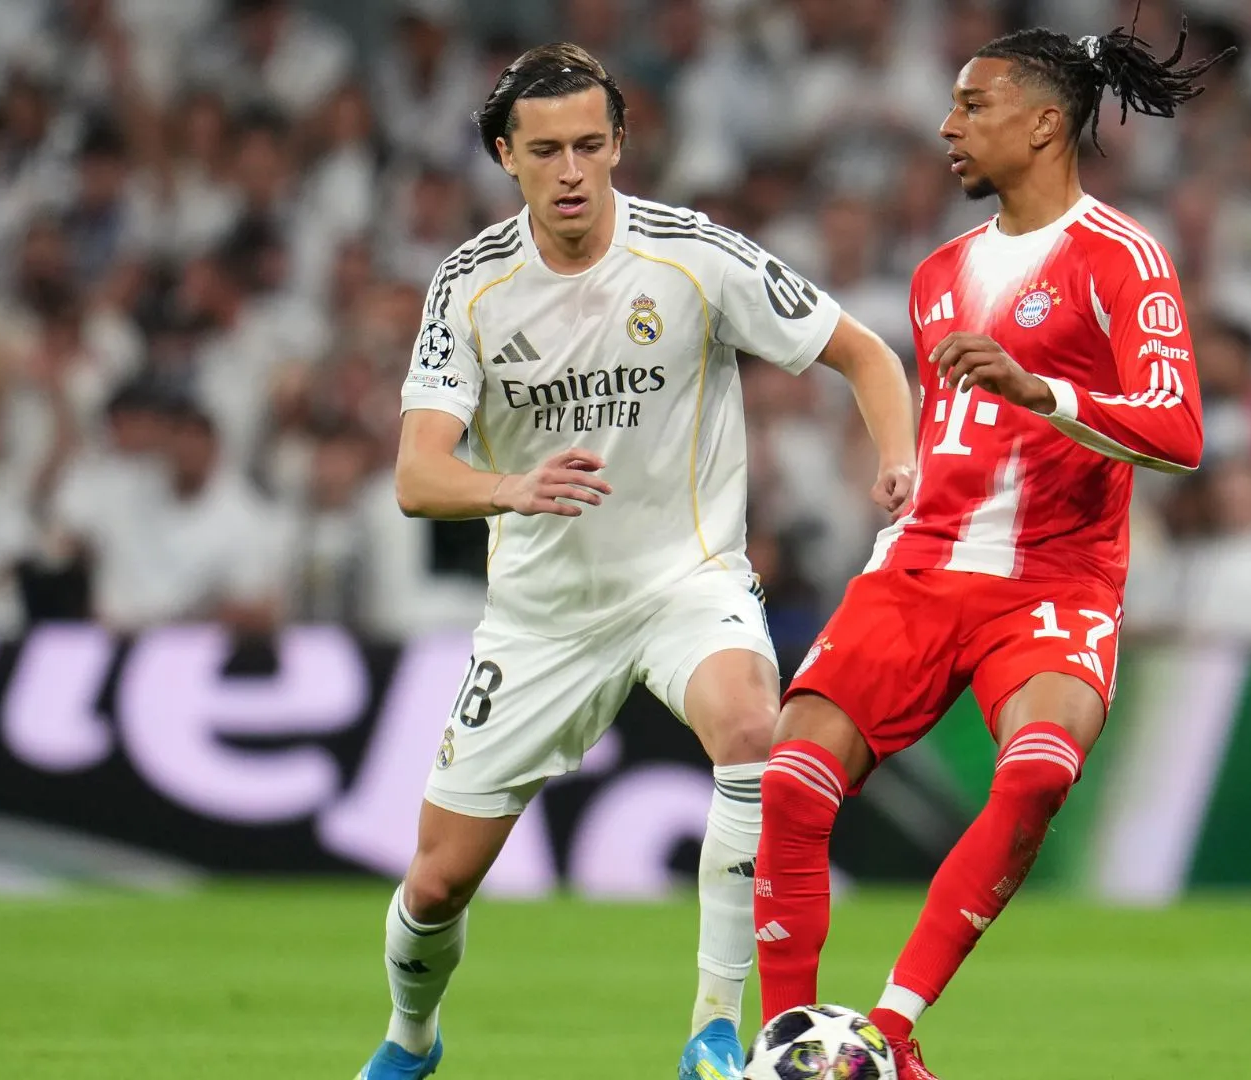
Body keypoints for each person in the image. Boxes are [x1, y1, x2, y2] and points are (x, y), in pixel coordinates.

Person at [357, 42, 916, 1080]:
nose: (571, 171)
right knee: (435, 886)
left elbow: (864, 353)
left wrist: (899, 456)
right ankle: (411, 1039)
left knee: (754, 727)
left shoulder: (691, 256)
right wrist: (508, 487)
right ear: (504, 157)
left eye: (589, 145)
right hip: (541, 617)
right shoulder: (471, 287)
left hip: (685, 580)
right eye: (545, 151)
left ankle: (712, 1027)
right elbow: (417, 475)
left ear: (618, 145)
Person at [751, 23, 1227, 1079]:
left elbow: (1180, 432)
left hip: (1055, 578)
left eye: (973, 105)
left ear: (1046, 122)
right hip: (924, 562)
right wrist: (907, 467)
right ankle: (784, 1051)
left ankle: (890, 1029)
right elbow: (965, 436)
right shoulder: (937, 275)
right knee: (788, 781)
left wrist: (1040, 388)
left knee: (1037, 774)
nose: (946, 125)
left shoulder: (1123, 258)